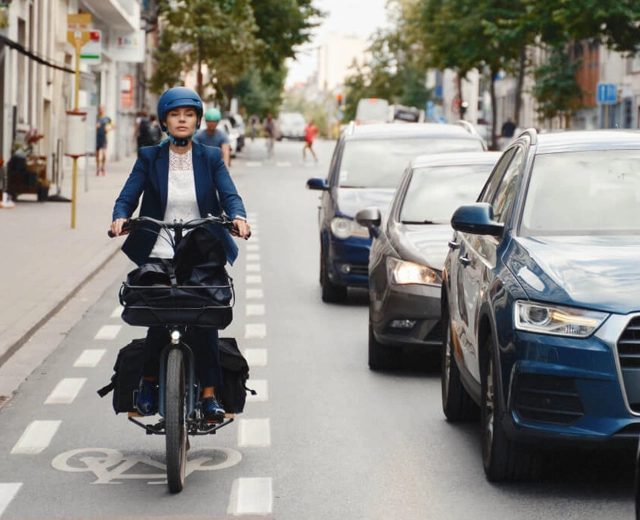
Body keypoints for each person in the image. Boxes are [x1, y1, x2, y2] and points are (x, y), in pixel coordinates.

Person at [110, 87, 251, 422]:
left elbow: (229, 195)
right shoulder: (149, 157)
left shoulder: (210, 157)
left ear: (198, 121)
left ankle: (209, 395)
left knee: (203, 319)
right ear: (165, 121)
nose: (183, 120)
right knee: (159, 314)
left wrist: (238, 217)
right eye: (176, 115)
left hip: (201, 248)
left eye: (189, 114)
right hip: (158, 247)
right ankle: (146, 383)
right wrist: (119, 217)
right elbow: (128, 195)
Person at [96, 106, 114, 176]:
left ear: (104, 110)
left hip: (104, 138)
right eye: (99, 109)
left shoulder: (107, 119)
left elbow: (114, 126)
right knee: (97, 155)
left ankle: (102, 168)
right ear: (98, 110)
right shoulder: (96, 118)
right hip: (96, 138)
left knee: (104, 155)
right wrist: (96, 126)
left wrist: (108, 129)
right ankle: (98, 169)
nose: (101, 110)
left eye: (102, 109)